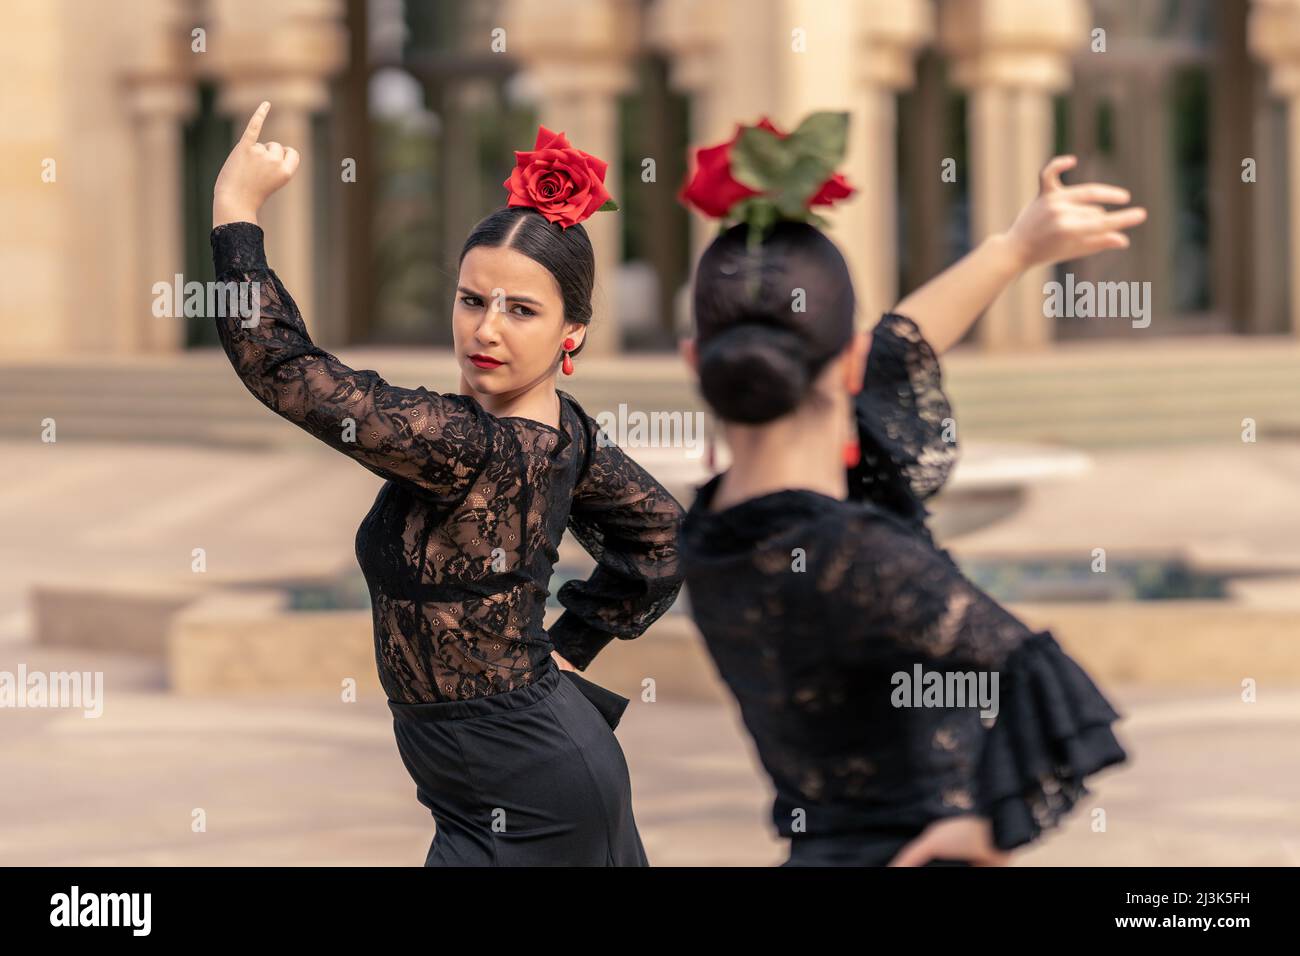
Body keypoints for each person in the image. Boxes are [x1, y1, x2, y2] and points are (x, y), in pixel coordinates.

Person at [209, 102, 683, 866]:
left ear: (574, 332)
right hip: (495, 775)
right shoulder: (566, 430)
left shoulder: (464, 442)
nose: (485, 329)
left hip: (533, 787)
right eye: (472, 299)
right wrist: (570, 647)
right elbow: (658, 531)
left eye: (521, 310)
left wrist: (236, 212)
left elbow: (285, 371)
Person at [676, 114, 1141, 866]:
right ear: (849, 363)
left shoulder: (713, 529)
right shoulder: (857, 558)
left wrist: (1015, 248)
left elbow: (892, 349)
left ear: (696, 361)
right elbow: (1049, 688)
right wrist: (984, 829)